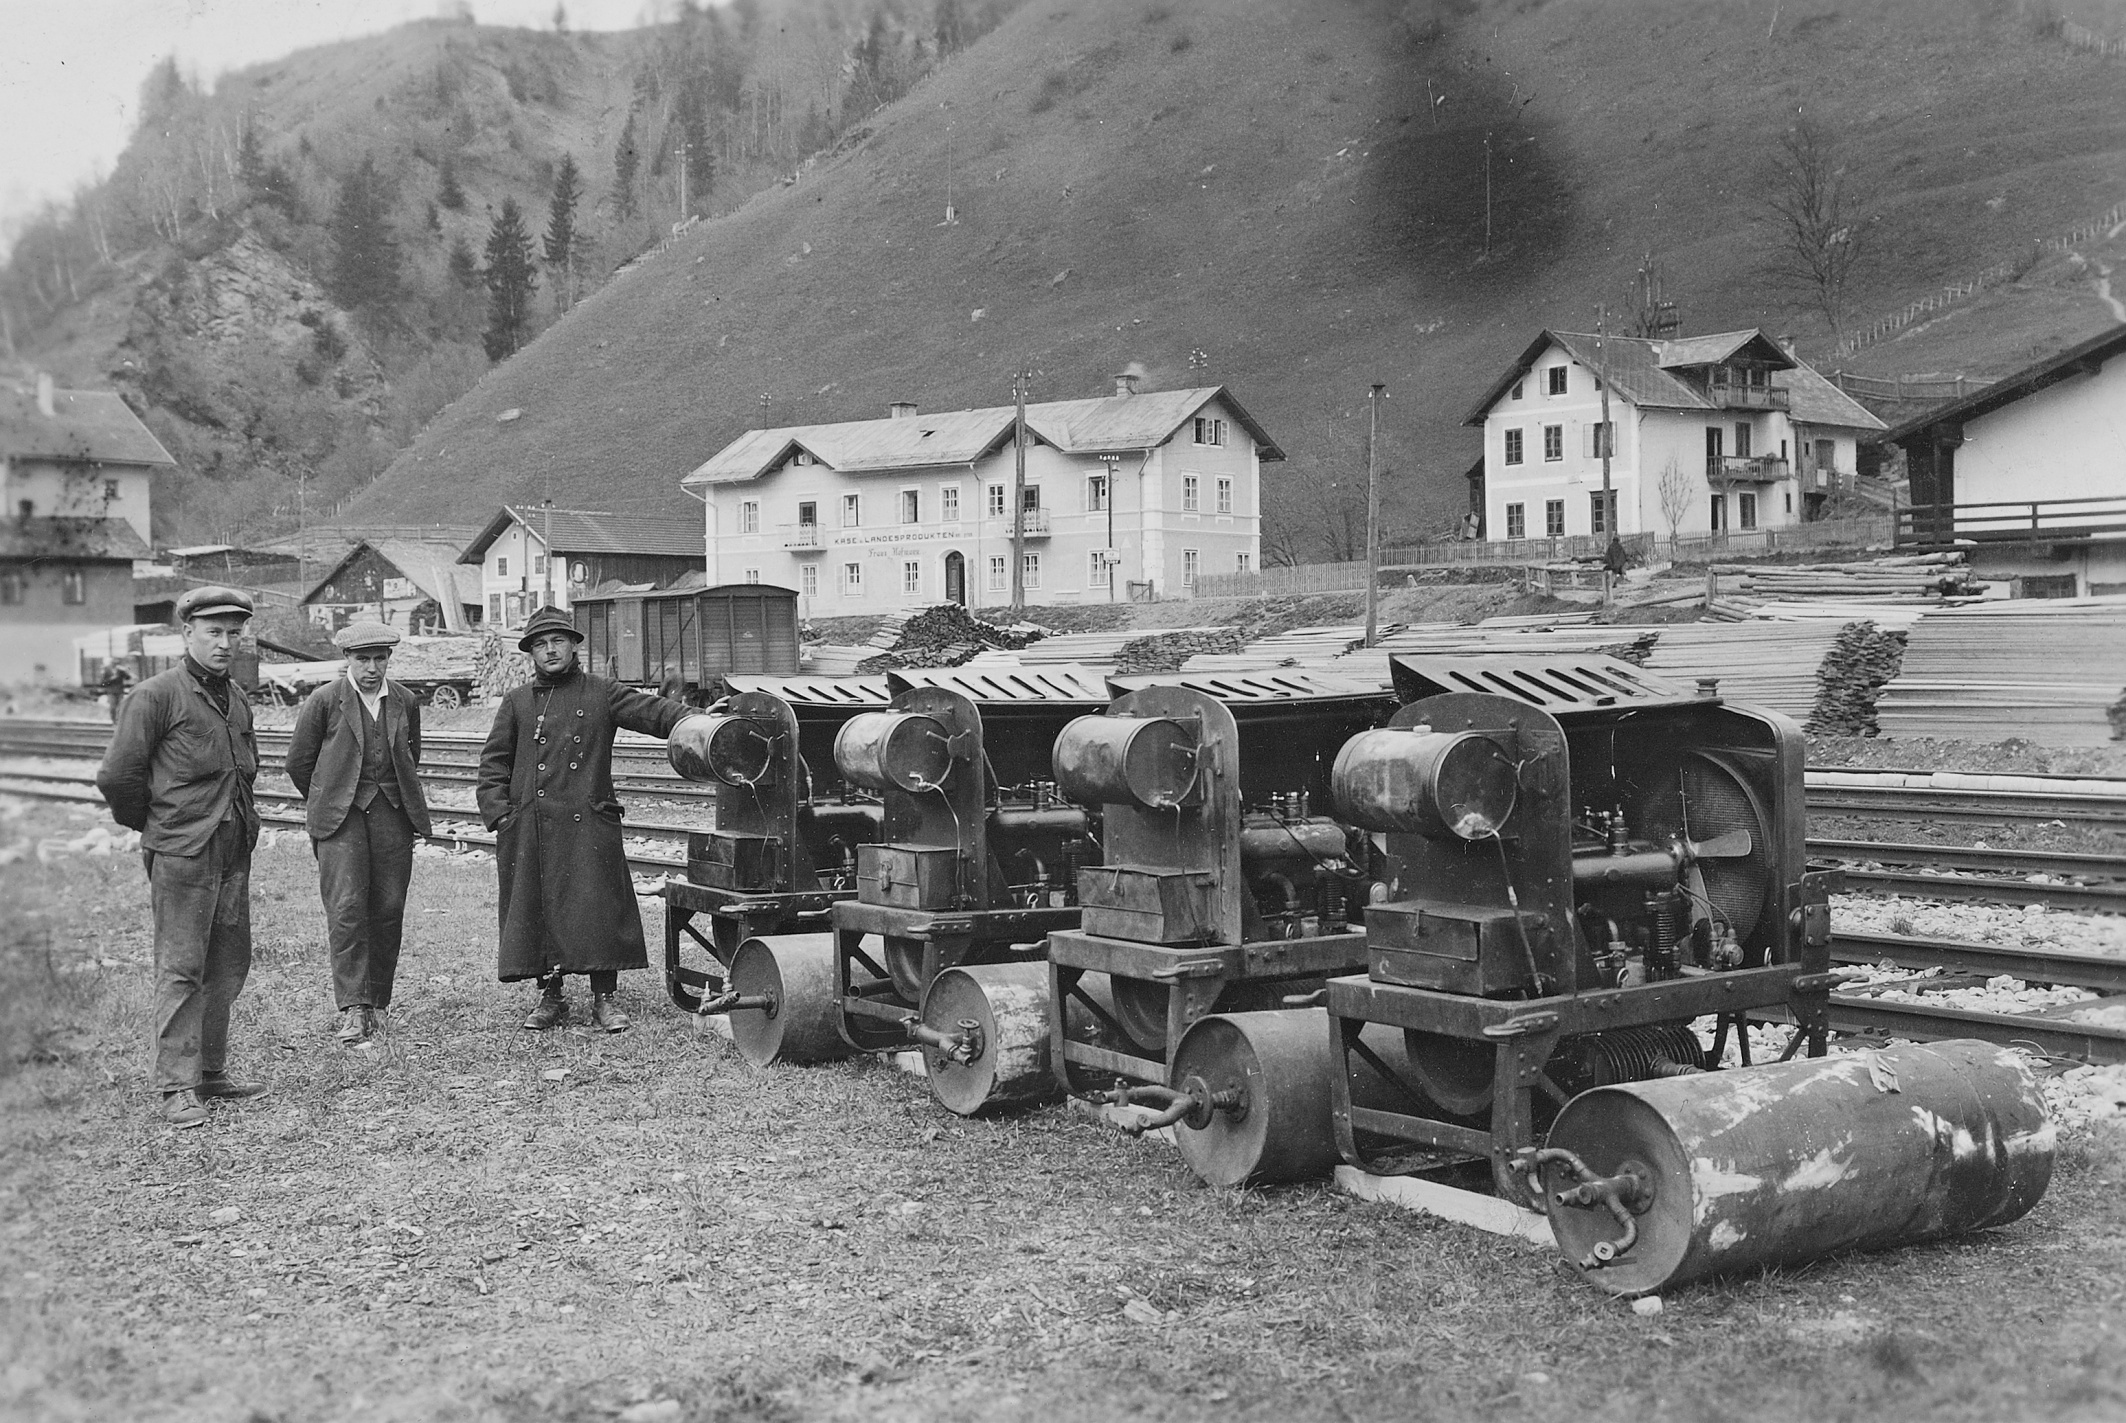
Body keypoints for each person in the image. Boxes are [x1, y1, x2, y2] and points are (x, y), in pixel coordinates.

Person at [477, 606, 708, 1032]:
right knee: (540, 910)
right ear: (531, 652)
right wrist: (501, 817)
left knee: (598, 908)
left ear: (573, 646)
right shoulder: (517, 702)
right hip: (533, 826)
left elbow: (652, 711)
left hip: (589, 821)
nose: (550, 650)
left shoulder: (601, 692)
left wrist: (695, 718)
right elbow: (493, 764)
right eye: (541, 644)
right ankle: (551, 996)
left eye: (558, 641)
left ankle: (605, 998)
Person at [96, 586, 267, 1128]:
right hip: (182, 852)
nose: (225, 643)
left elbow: (246, 766)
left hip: (232, 845)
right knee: (181, 967)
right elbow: (118, 776)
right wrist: (159, 826)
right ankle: (176, 1085)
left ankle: (210, 1071)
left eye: (233, 633)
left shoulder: (234, 695)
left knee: (228, 964)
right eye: (214, 632)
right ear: (187, 633)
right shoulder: (154, 695)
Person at [283, 622, 433, 1047]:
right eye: (362, 659)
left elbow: (411, 755)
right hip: (340, 819)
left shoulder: (404, 700)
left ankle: (378, 1004)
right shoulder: (324, 700)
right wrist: (332, 797)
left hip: (391, 814)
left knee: (388, 907)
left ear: (389, 659)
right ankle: (354, 1007)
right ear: (347, 659)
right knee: (347, 908)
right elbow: (299, 763)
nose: (371, 668)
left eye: (379, 659)